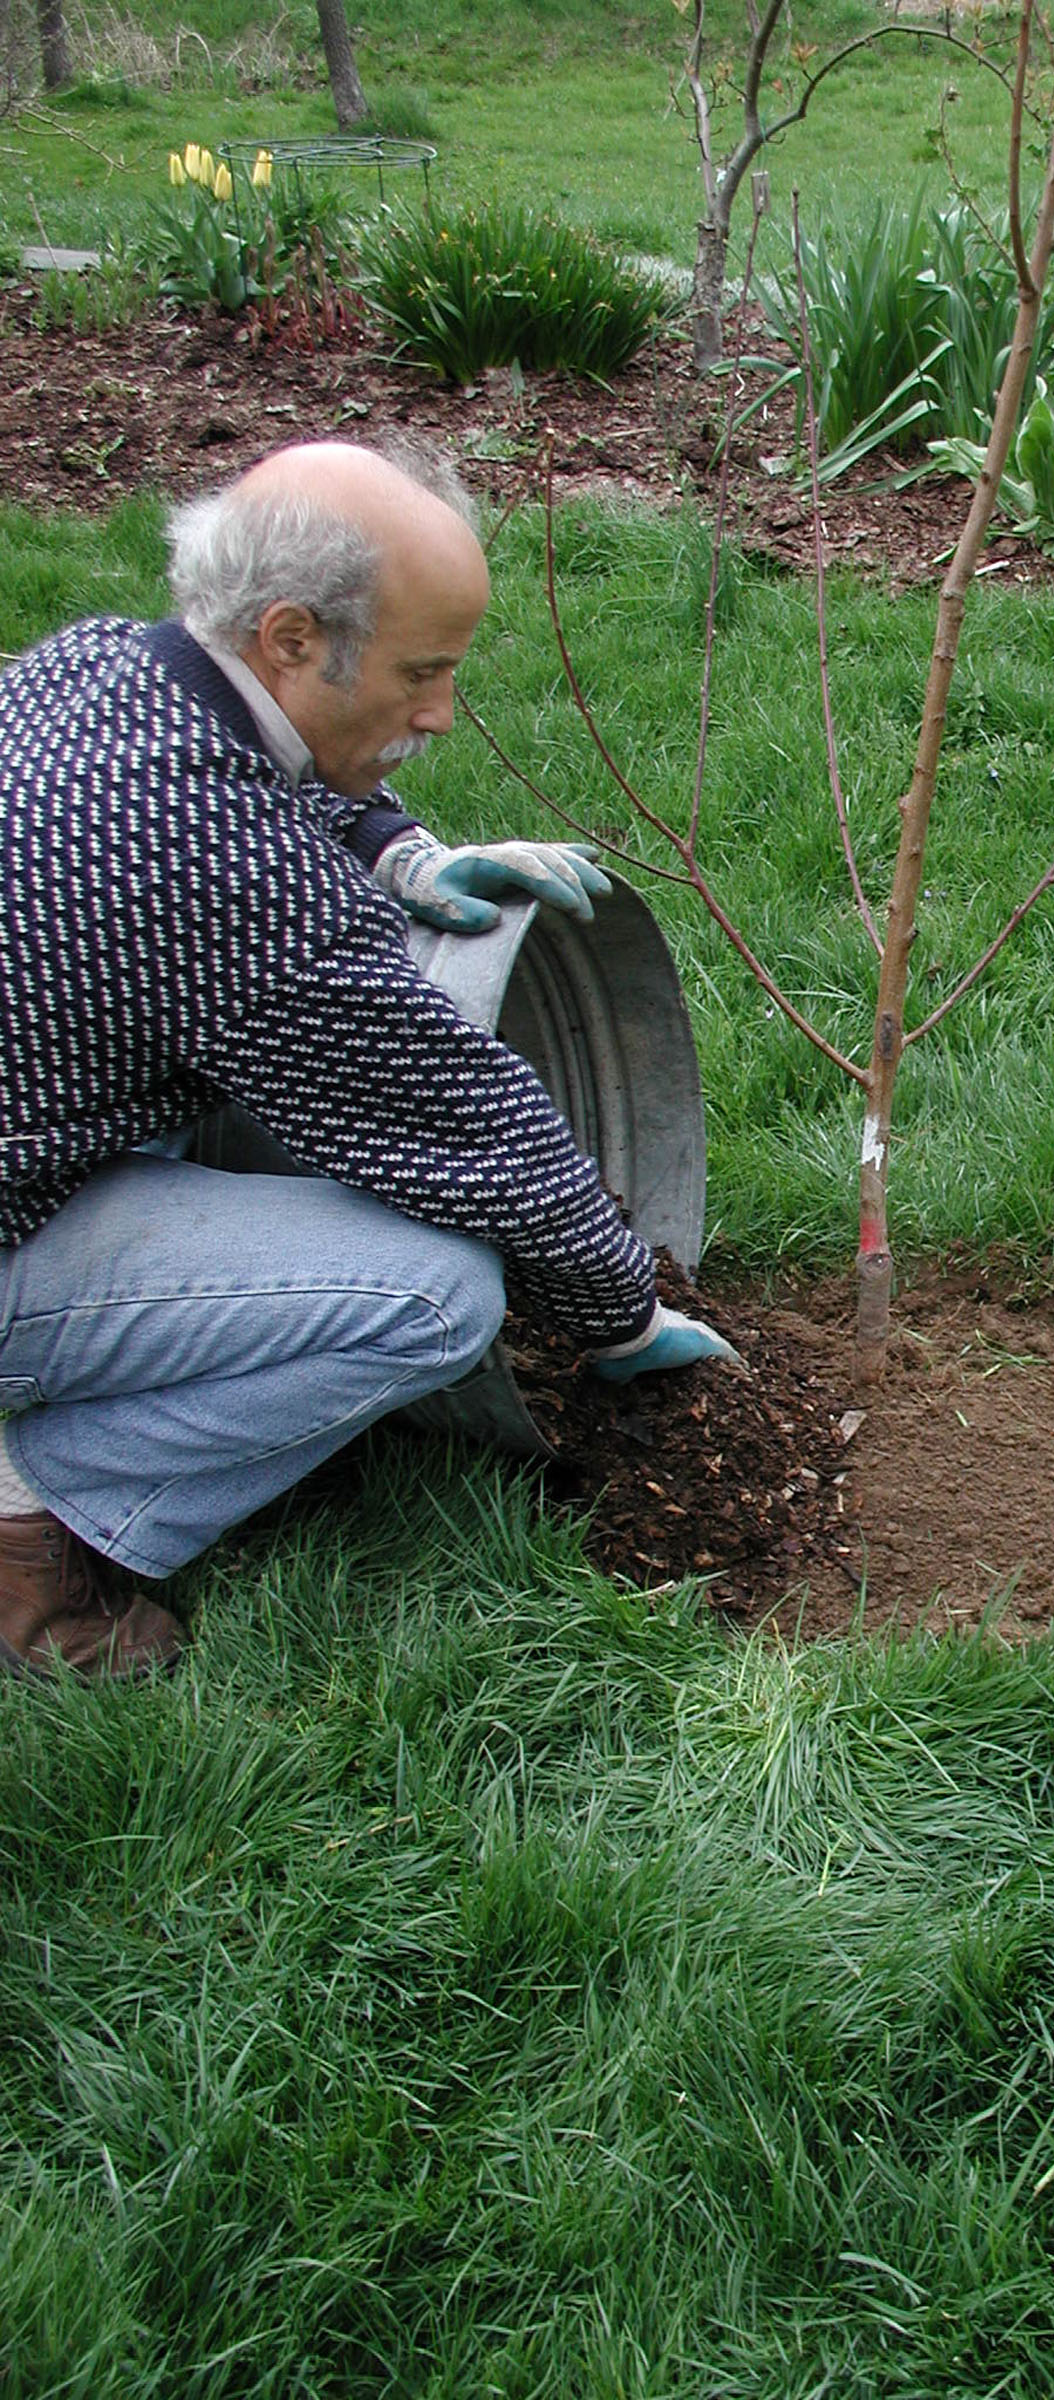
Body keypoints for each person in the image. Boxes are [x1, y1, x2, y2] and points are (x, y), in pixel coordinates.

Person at [0, 439, 731, 1681]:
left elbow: (267, 774)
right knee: (438, 1292)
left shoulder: (94, 666)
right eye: (423, 672)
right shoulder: (215, 867)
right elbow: (463, 1121)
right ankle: (45, 1526)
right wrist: (622, 1312)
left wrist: (399, 853)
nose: (441, 712)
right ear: (291, 638)